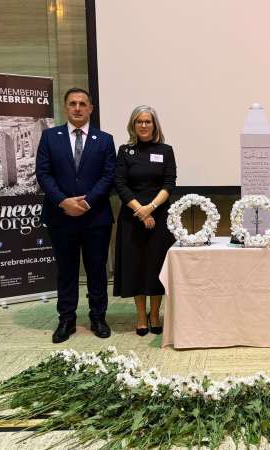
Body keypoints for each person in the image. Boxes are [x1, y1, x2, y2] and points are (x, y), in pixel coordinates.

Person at [36, 87, 117, 343]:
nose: (78, 108)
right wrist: (63, 202)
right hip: (60, 217)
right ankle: (67, 319)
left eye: (83, 103)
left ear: (91, 108)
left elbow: (108, 175)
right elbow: (43, 174)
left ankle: (98, 316)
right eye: (73, 104)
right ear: (65, 107)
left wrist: (87, 202)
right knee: (67, 270)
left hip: (96, 217)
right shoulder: (50, 137)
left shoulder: (104, 140)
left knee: (97, 269)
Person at [114, 105, 176, 336]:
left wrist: (150, 208)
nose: (143, 125)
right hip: (132, 217)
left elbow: (169, 184)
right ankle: (141, 315)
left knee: (156, 265)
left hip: (159, 216)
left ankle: (155, 314)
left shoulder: (166, 150)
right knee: (136, 266)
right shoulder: (125, 151)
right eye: (139, 121)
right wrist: (140, 210)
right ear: (133, 125)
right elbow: (120, 183)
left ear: (154, 124)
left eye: (147, 121)